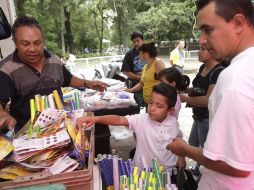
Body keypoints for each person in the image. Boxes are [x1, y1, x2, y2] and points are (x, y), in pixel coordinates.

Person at [167, 0, 254, 189]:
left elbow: (235, 165)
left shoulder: (234, 79)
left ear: (238, 23)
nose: (202, 40)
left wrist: (185, 149)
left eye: (207, 30)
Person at [0, 16, 107, 132]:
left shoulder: (54, 60)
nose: (32, 49)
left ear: (43, 41)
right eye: (25, 44)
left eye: (37, 43)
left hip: (60, 129)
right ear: (15, 42)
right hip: (28, 135)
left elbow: (68, 79)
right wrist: (2, 114)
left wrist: (87, 83)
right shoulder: (6, 68)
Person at [78, 83, 186, 170]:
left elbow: (179, 140)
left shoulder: (173, 123)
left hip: (167, 171)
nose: (152, 108)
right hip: (143, 172)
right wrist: (96, 119)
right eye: (150, 103)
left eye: (159, 106)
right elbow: (119, 119)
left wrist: (181, 158)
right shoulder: (141, 120)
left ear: (170, 110)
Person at [181, 46, 224, 176]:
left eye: (202, 49)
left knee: (206, 150)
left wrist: (185, 98)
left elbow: (207, 100)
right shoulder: (202, 68)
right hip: (197, 115)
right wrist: (184, 89)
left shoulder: (218, 72)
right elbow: (198, 89)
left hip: (207, 118)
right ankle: (199, 167)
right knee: (193, 143)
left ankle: (204, 174)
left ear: (211, 52)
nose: (198, 52)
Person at [121, 31, 145, 106]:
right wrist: (140, 78)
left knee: (149, 105)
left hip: (148, 85)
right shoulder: (129, 54)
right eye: (134, 41)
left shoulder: (148, 52)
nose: (136, 43)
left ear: (142, 40)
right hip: (134, 85)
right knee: (136, 106)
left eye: (138, 40)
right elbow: (126, 72)